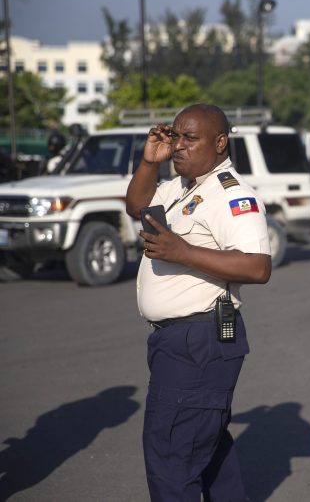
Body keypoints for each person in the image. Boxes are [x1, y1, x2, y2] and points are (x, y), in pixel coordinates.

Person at [125, 103, 271, 501]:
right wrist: (147, 162)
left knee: (172, 458)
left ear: (220, 143)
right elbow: (137, 205)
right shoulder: (182, 186)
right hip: (176, 342)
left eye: (190, 138)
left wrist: (182, 251)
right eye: (175, 136)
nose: (178, 146)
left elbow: (258, 267)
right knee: (205, 453)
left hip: (199, 340)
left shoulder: (232, 195)